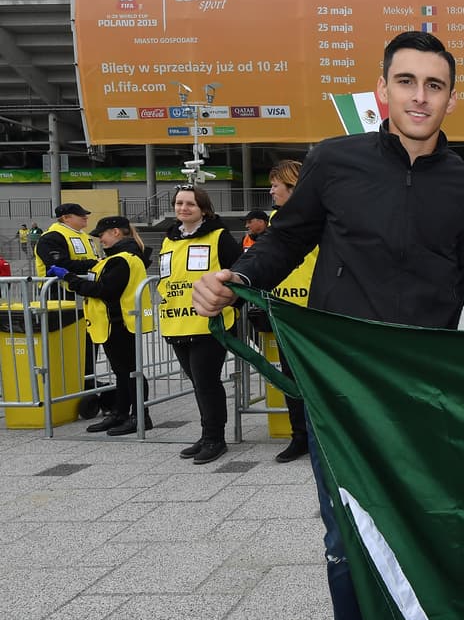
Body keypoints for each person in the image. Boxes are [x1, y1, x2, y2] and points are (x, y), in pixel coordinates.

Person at [191, 30, 464, 620]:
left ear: (451, 97)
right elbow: (288, 241)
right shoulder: (333, 161)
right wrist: (234, 275)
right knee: (345, 536)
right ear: (383, 89)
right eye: (407, 81)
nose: (420, 96)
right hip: (339, 386)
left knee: (431, 530)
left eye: (435, 84)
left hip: (428, 390)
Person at [160, 186, 240, 465]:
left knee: (207, 382)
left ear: (203, 208)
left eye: (190, 204)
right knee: (197, 382)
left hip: (209, 323)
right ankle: (207, 434)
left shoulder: (220, 237)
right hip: (177, 323)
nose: (183, 208)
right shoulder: (169, 240)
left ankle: (215, 438)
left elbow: (241, 275)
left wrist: (231, 305)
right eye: (179, 203)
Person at [55, 216, 154, 435]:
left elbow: (104, 290)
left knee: (130, 372)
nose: (101, 240)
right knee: (122, 372)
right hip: (114, 323)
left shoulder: (123, 259)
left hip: (120, 323)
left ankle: (140, 417)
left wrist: (71, 279)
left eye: (102, 235)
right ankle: (121, 413)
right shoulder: (116, 258)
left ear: (116, 232)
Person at [257, 159, 313, 463]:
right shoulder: (276, 220)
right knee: (290, 380)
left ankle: (326, 438)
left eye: (276, 185)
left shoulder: (320, 218)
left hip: (316, 316)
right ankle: (299, 437)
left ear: (292, 186)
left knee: (319, 381)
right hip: (284, 314)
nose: (271, 191)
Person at [35, 203, 97, 278]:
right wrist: (95, 263)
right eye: (81, 215)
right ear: (65, 218)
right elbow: (60, 264)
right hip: (60, 288)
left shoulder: (84, 236)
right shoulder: (51, 237)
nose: (86, 217)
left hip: (81, 285)